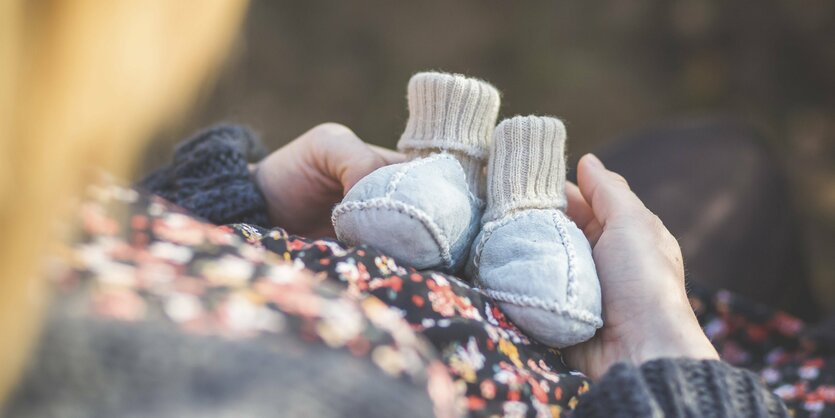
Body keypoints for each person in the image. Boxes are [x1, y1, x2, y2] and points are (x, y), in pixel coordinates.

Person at [0, 1, 830, 418]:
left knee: (725, 159)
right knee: (729, 168)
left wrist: (221, 208)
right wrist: (671, 361)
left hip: (351, 274)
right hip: (621, 384)